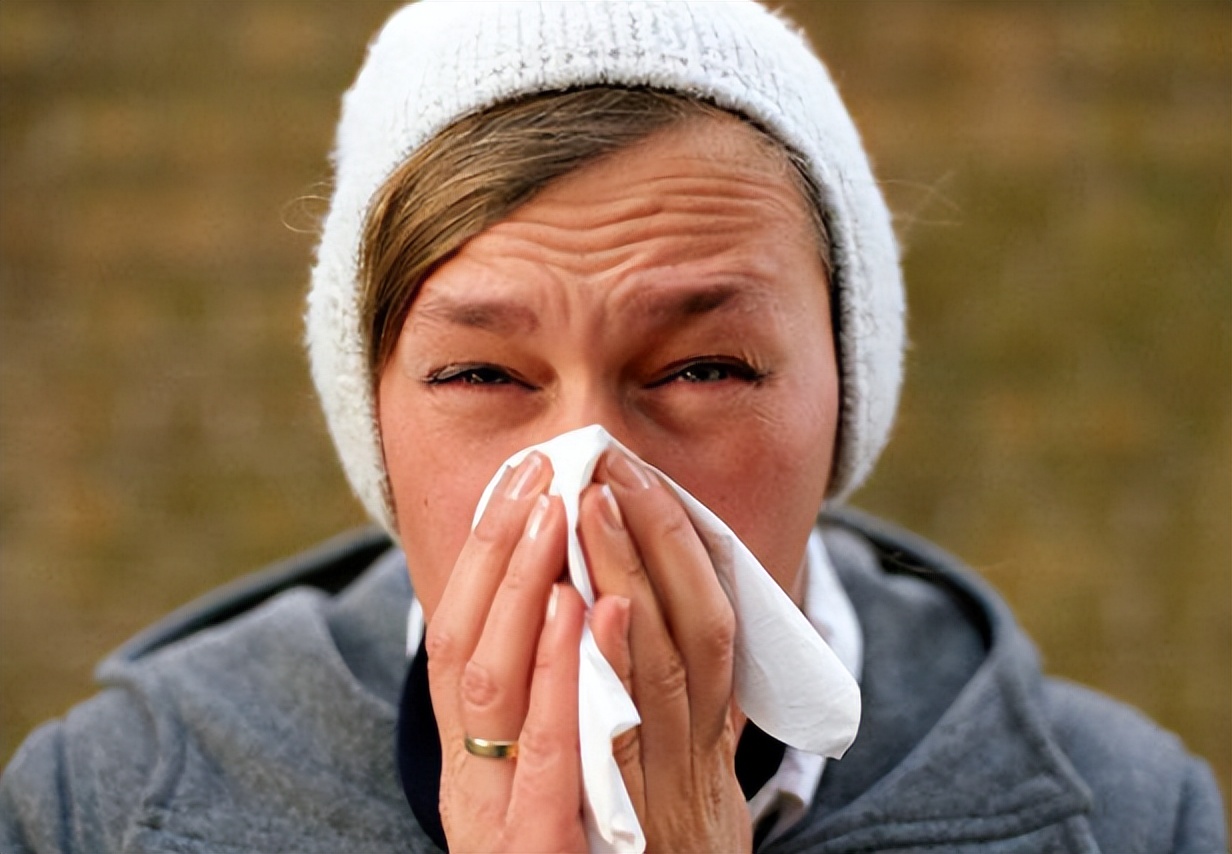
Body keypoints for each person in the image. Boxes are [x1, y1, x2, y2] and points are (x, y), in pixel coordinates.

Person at [1, 1, 1225, 852]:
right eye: (481, 375)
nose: (594, 480)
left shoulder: (1130, 813)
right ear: (371, 419)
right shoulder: (96, 804)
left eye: (700, 366)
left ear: (842, 392)